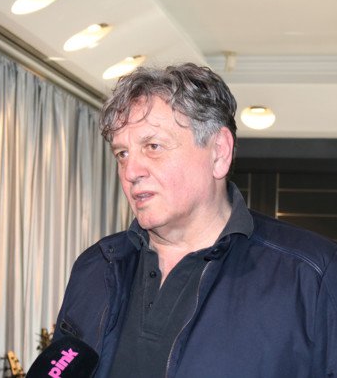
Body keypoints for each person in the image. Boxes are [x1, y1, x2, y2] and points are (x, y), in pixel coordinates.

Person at [52, 63, 337, 377]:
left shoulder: (312, 276)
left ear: (218, 152)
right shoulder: (95, 266)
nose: (131, 171)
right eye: (122, 153)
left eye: (153, 146)